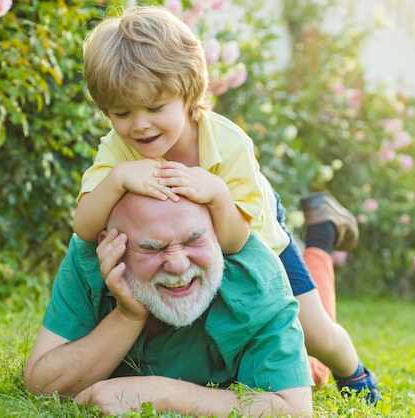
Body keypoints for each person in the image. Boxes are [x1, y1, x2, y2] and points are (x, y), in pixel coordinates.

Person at [73, 6, 383, 405]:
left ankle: (354, 372)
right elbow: (83, 227)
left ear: (187, 95)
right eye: (122, 113)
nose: (140, 125)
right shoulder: (118, 150)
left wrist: (217, 193)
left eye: (154, 108)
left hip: (256, 244)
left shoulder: (228, 143)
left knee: (315, 332)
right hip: (190, 256)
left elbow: (237, 242)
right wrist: (117, 179)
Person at [24, 193, 314, 417]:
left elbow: (295, 410)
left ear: (217, 234)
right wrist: (127, 315)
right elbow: (42, 387)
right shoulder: (89, 260)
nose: (177, 265)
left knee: (319, 350)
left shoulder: (260, 280)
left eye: (195, 240)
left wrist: (162, 393)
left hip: (296, 320)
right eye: (152, 248)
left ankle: (322, 237)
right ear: (112, 246)